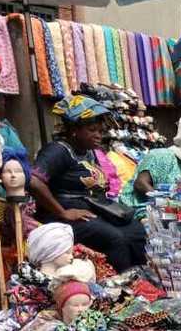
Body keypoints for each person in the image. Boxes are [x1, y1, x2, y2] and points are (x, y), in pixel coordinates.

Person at [32, 95, 146, 272]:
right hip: (61, 216)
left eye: (100, 131)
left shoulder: (89, 152)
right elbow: (34, 181)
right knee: (115, 238)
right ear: (74, 130)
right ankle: (119, 283)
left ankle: (141, 277)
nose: (98, 135)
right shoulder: (58, 151)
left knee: (136, 230)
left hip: (91, 211)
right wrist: (63, 212)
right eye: (93, 130)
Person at [119, 117, 181, 219]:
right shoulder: (162, 155)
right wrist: (166, 203)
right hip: (137, 211)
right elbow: (140, 184)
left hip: (168, 215)